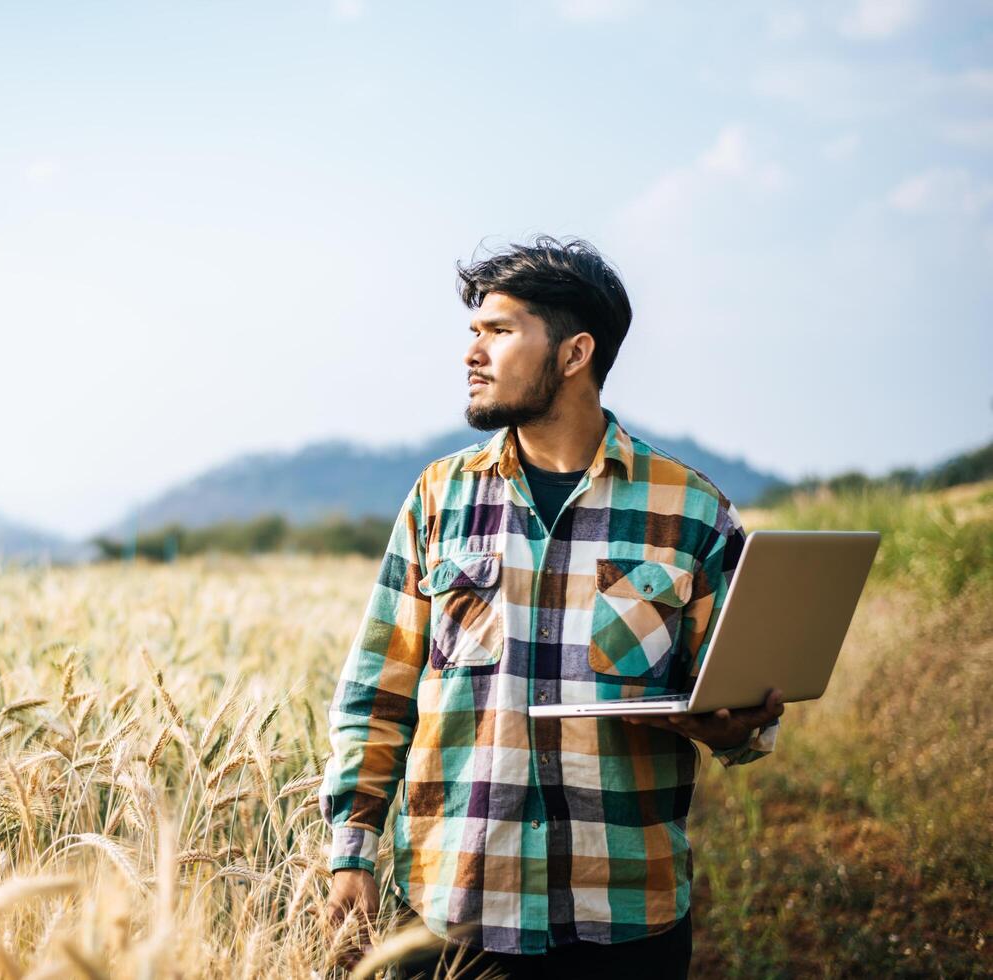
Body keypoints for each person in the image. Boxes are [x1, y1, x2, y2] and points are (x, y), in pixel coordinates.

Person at [317, 236, 785, 979]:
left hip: (625, 915)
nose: (472, 354)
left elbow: (744, 708)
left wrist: (734, 726)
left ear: (574, 354)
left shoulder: (690, 509)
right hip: (454, 907)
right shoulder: (438, 498)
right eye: (472, 332)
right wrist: (351, 853)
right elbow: (377, 691)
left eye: (498, 332)